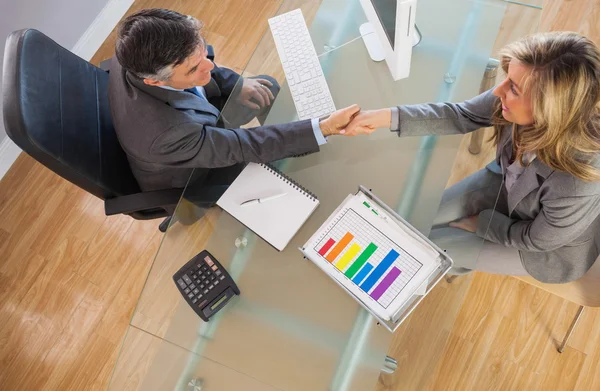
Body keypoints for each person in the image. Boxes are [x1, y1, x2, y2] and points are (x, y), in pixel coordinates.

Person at [343, 31, 600, 284]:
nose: (498, 91)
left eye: (513, 88)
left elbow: (537, 240)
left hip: (542, 248)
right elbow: (460, 115)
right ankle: (458, 259)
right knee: (408, 223)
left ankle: (447, 264)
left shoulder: (577, 183)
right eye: (507, 78)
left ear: (549, 109)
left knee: (424, 250)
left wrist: (482, 223)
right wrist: (382, 117)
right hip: (508, 186)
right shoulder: (521, 94)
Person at [108, 8, 358, 193]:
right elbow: (245, 145)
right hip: (195, 173)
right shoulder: (167, 135)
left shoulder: (137, 44)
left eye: (202, 50)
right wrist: (323, 127)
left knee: (263, 86)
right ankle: (305, 147)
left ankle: (299, 139)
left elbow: (201, 62)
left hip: (195, 119)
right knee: (270, 174)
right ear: (155, 81)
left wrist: (237, 84)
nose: (210, 65)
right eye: (194, 69)